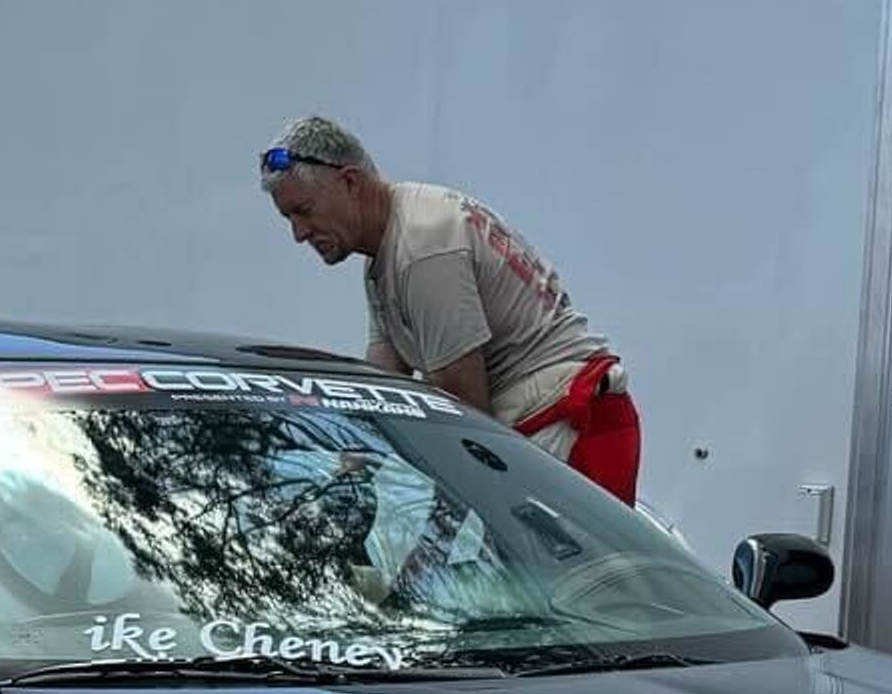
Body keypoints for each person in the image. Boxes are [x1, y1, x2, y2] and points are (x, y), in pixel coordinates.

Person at [259, 116, 643, 503]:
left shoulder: (423, 250)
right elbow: (379, 387)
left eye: (304, 210)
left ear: (350, 183)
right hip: (557, 427)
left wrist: (429, 536)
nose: (299, 233)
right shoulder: (390, 248)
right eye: (288, 218)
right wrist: (340, 469)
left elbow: (464, 421)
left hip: (573, 431)